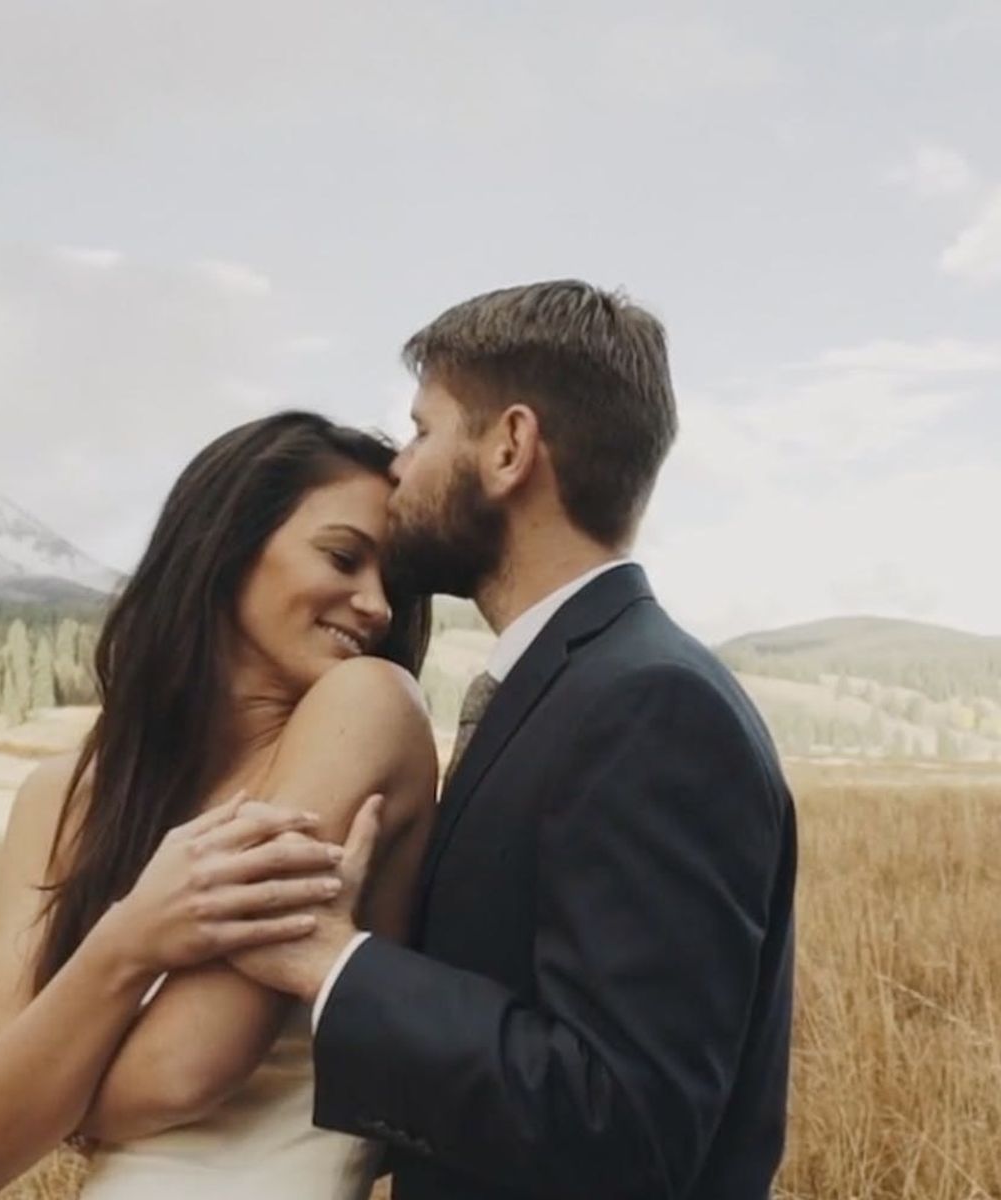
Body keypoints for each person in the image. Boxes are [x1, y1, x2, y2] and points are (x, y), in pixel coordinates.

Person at [231, 280, 798, 1200]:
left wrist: (333, 964)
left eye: (422, 430)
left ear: (508, 448)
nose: (399, 471)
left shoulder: (650, 705)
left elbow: (626, 1125)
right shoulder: (578, 686)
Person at [0, 411, 438, 1199]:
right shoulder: (62, 797)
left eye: (397, 582)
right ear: (228, 543)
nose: (378, 604)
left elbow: (184, 1070)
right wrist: (132, 938)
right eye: (344, 557)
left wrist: (38, 1099)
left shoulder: (368, 706)